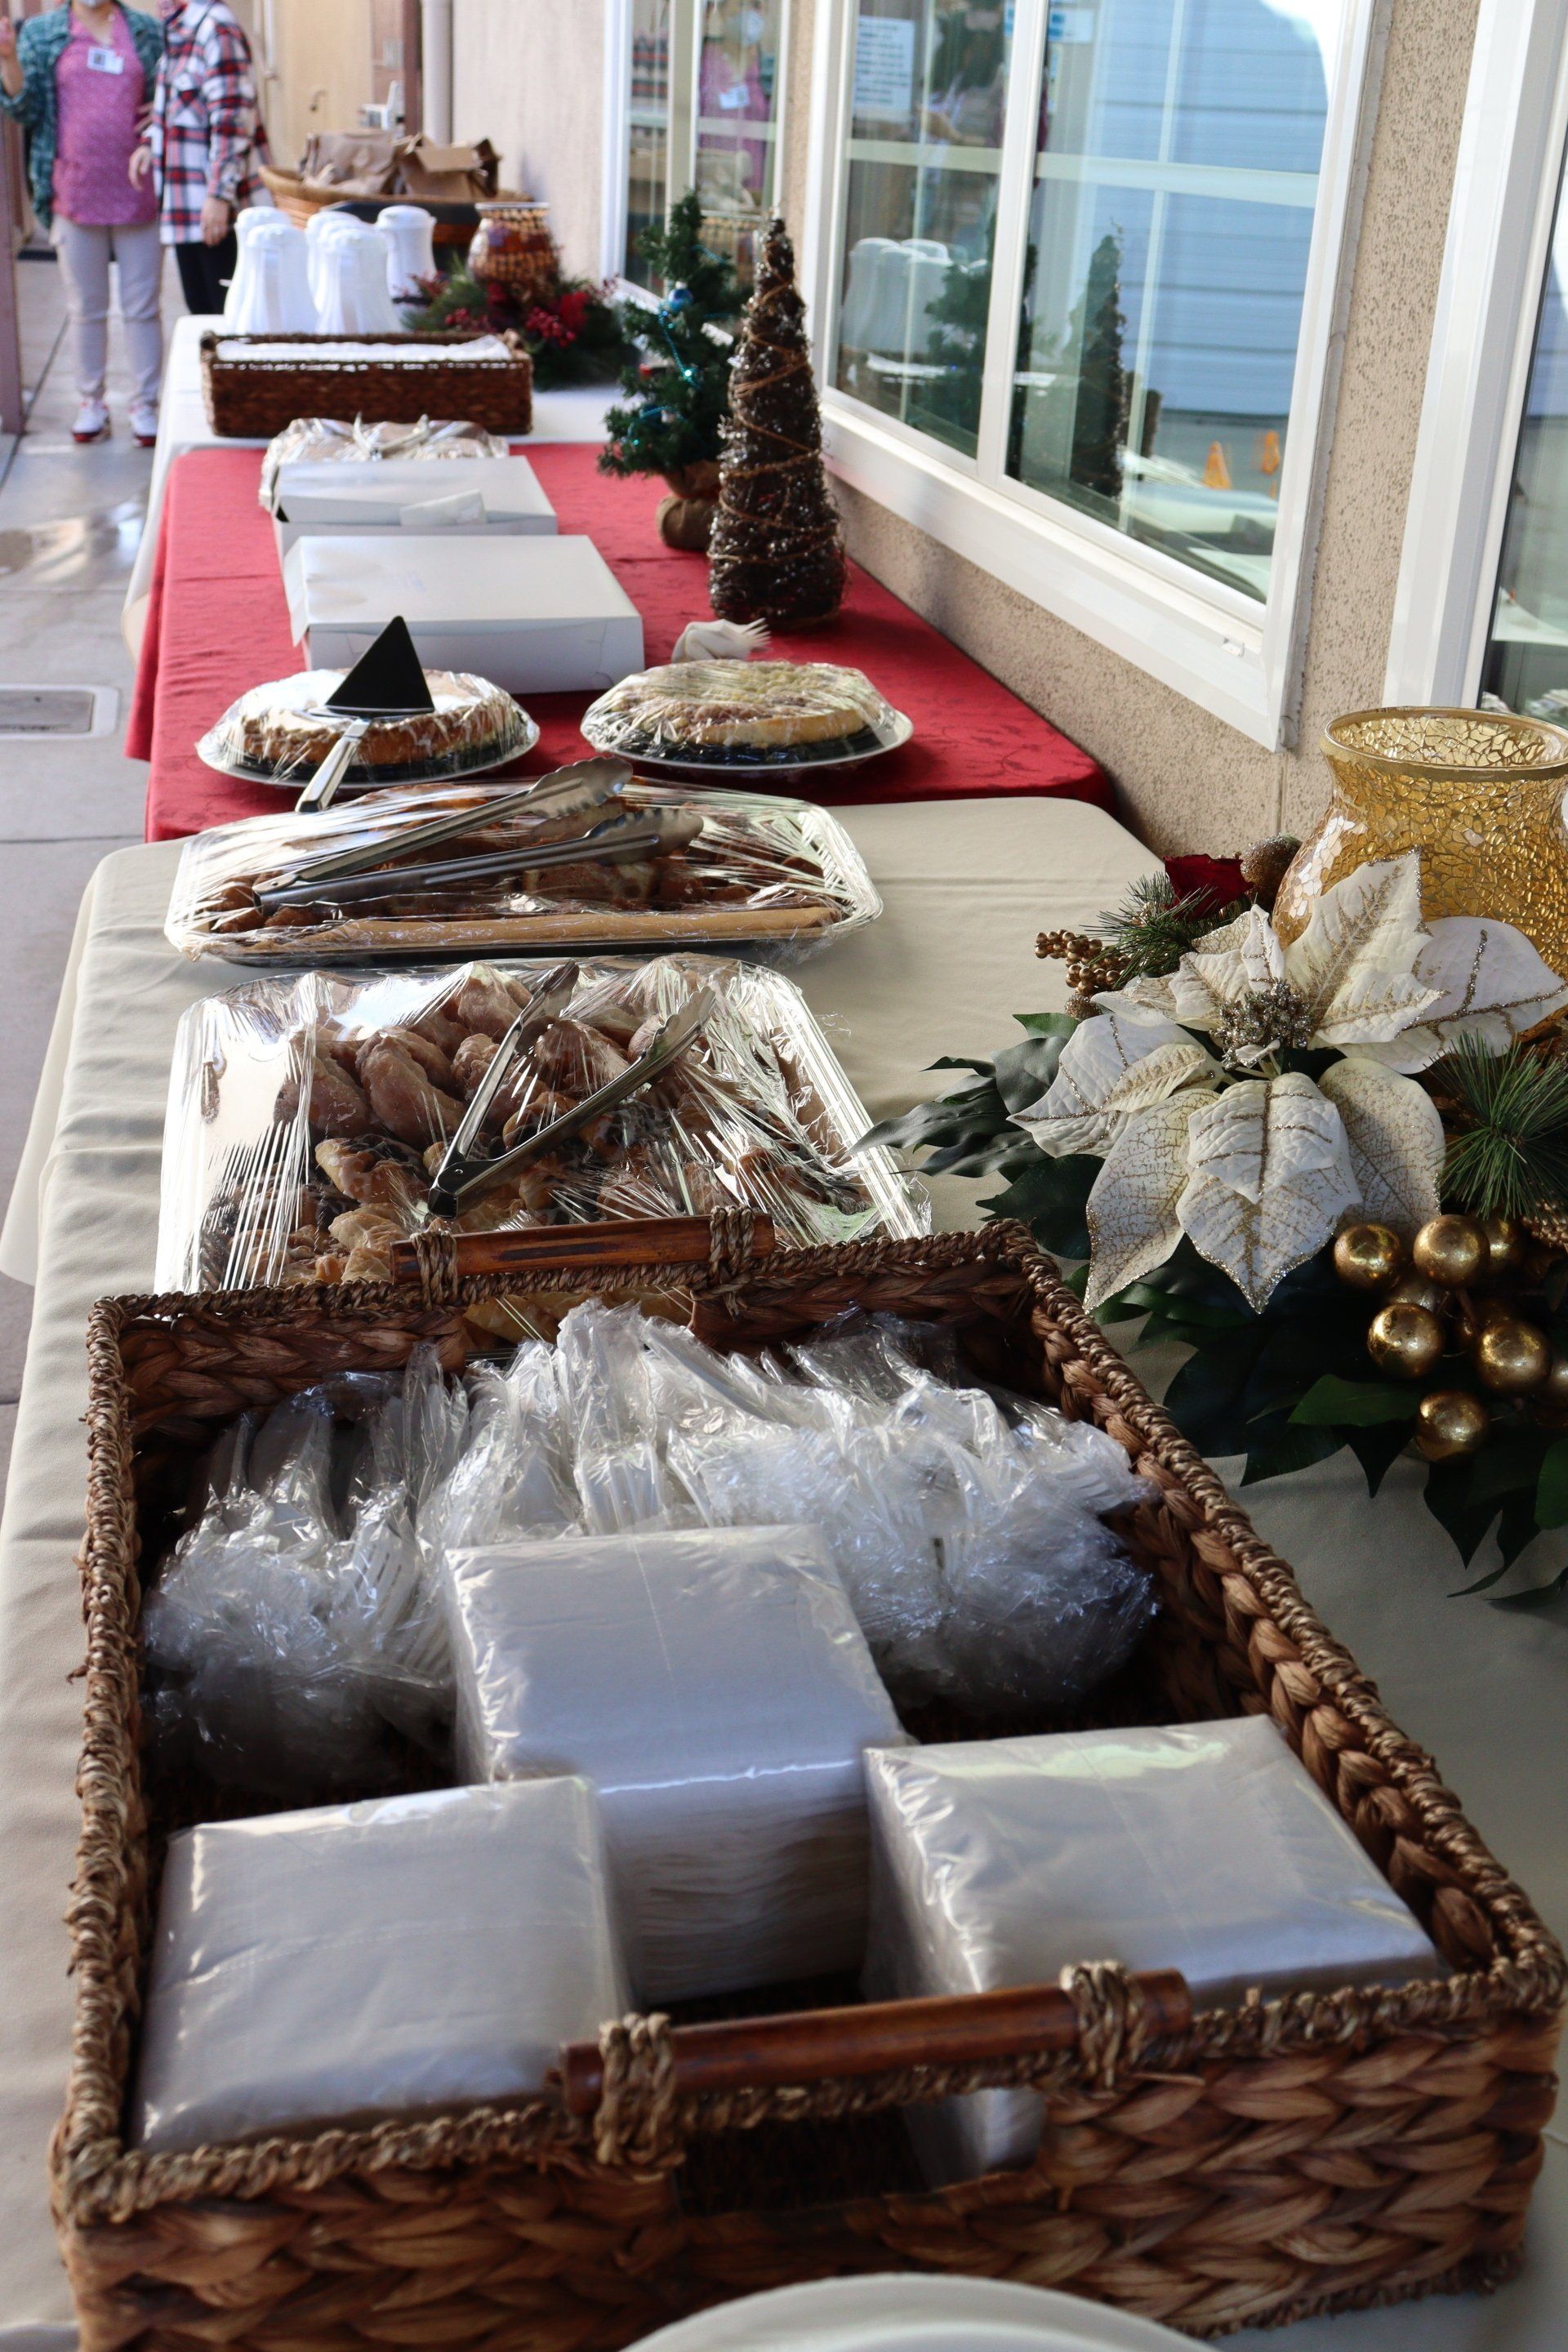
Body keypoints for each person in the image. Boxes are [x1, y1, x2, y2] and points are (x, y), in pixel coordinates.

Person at [0, 1, 166, 446]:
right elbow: (24, 110)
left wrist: (159, 123)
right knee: (85, 307)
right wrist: (8, 59)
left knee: (142, 306)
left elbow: (164, 97)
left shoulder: (147, 32)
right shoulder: (42, 33)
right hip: (73, 189)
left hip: (138, 188)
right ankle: (91, 401)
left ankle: (146, 404)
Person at [131, 0, 260, 318]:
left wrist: (219, 195)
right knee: (202, 316)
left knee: (227, 317)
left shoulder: (216, 27)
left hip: (216, 211)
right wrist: (150, 143)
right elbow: (177, 107)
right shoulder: (178, 25)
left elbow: (232, 119)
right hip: (184, 209)